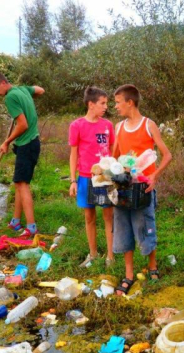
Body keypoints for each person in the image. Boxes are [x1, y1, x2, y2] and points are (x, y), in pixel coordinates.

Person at [112, 84, 172, 296]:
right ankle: (129, 275)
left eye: (118, 102)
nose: (116, 106)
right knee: (123, 228)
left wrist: (154, 175)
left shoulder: (149, 125)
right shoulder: (118, 128)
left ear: (130, 102)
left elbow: (166, 155)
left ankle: (152, 266)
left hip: (143, 189)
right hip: (123, 189)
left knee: (145, 226)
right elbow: (114, 159)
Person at [0, 71, 44, 237]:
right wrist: (28, 100)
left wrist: (6, 141)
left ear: (3, 82)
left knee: (22, 184)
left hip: (26, 143)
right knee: (19, 182)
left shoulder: (10, 98)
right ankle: (16, 221)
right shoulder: (22, 90)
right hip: (32, 143)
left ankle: (31, 227)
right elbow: (40, 90)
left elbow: (23, 125)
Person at [69, 87, 115, 268]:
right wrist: (73, 180)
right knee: (89, 217)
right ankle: (93, 254)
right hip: (85, 178)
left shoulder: (107, 125)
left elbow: (113, 150)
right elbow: (73, 155)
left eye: (106, 103)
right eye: (102, 103)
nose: (105, 107)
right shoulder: (77, 125)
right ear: (91, 104)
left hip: (105, 177)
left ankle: (111, 257)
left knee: (108, 216)